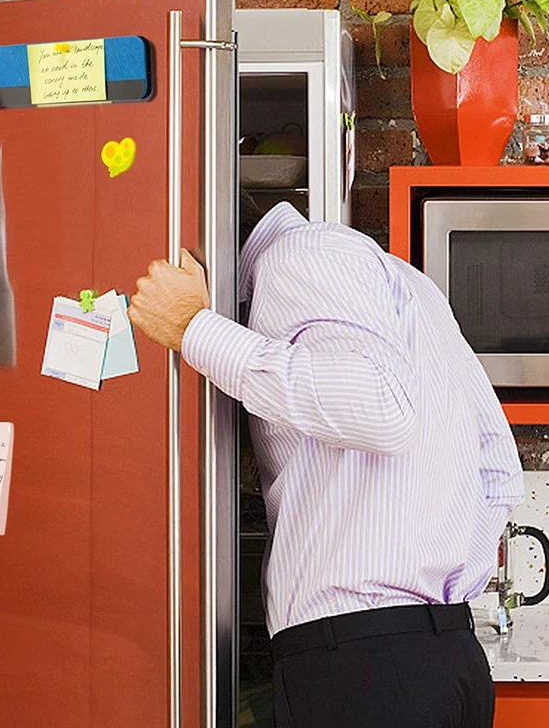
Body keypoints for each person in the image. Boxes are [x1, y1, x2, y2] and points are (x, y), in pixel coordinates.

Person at [128, 195, 524, 728]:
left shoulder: (300, 257)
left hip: (364, 669)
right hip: (445, 659)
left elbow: (381, 408)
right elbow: (499, 472)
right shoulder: (408, 283)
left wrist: (193, 328)